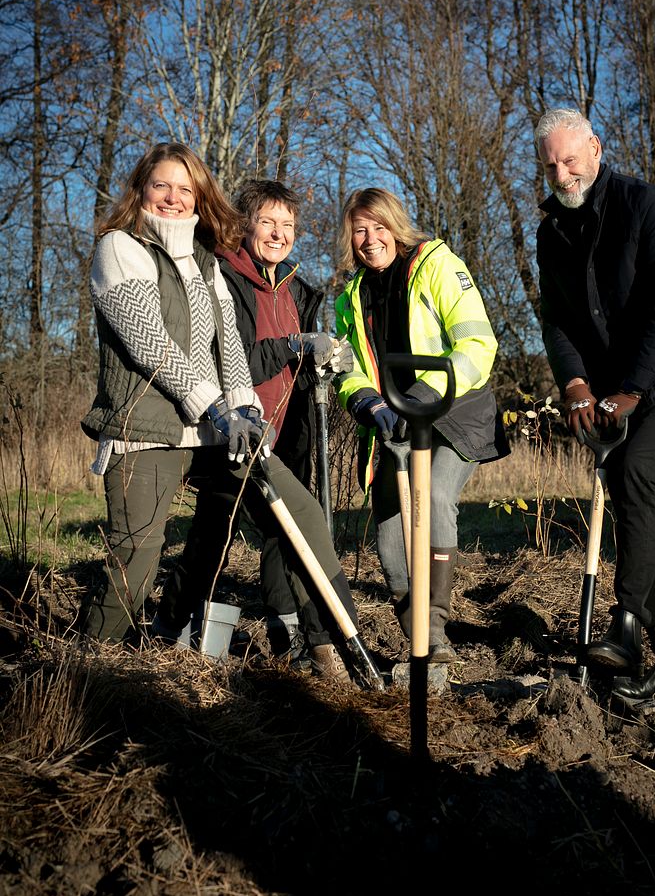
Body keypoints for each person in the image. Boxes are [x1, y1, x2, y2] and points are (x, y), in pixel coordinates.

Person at [82, 144, 359, 682]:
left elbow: (229, 348)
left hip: (216, 432)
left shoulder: (204, 262)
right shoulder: (119, 248)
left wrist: (246, 410)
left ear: (199, 197)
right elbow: (152, 344)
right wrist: (215, 407)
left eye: (185, 189)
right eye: (162, 186)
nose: (173, 197)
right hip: (148, 428)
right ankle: (85, 670)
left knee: (300, 513)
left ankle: (339, 650)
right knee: (135, 566)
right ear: (141, 189)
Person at [534, 108, 655, 701]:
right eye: (550, 166)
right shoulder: (552, 232)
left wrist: (632, 389)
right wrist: (574, 385)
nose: (562, 175)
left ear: (595, 148)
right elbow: (560, 322)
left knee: (635, 469)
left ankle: (626, 623)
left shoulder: (647, 207)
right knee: (631, 489)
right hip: (622, 384)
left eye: (570, 160)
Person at [185, 177, 354, 669]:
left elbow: (298, 366)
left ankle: (290, 635)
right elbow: (232, 360)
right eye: (268, 223)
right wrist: (295, 345)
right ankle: (191, 641)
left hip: (289, 429)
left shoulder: (299, 289)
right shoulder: (225, 279)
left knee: (286, 532)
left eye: (289, 225)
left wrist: (325, 362)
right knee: (215, 533)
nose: (280, 234)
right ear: (246, 226)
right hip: (233, 430)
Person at [334, 188, 509, 663]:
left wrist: (420, 398)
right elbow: (348, 367)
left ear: (396, 225)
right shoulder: (352, 295)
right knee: (391, 539)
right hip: (392, 420)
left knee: (432, 496)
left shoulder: (436, 263)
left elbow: (477, 343)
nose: (371, 239)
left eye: (379, 226)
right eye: (360, 231)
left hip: (454, 410)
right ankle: (415, 633)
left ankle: (435, 634)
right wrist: (369, 403)